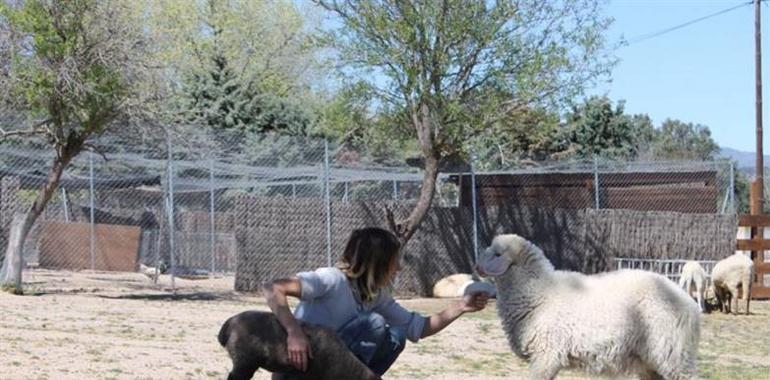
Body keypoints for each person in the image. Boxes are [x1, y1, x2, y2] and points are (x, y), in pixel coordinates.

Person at [264, 227, 490, 379]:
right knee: (373, 323)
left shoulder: (375, 295)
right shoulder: (331, 279)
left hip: (330, 367)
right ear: (378, 263)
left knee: (397, 337)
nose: (398, 268)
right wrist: (294, 332)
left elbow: (417, 328)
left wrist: (461, 306)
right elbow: (274, 287)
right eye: (395, 262)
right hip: (298, 370)